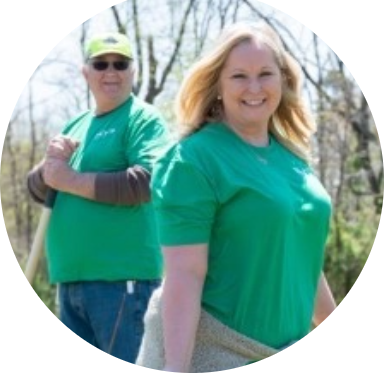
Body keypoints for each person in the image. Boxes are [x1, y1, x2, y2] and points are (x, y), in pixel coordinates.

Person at [135, 22, 337, 372]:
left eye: (265, 74)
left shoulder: (291, 159)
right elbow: (184, 274)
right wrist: (176, 368)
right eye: (239, 76)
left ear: (283, 80)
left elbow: (303, 260)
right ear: (217, 85)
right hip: (218, 353)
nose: (254, 87)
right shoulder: (192, 160)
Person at [27, 32, 169, 363]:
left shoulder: (142, 119)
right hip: (70, 284)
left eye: (120, 63)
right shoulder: (74, 126)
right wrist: (47, 170)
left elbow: (148, 182)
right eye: (100, 63)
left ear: (133, 71)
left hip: (122, 284)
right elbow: (41, 186)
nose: (111, 71)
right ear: (85, 72)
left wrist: (70, 179)